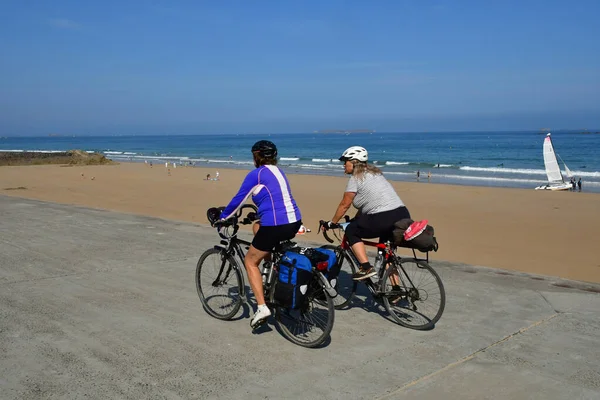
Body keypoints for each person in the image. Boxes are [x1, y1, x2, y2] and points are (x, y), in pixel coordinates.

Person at [219, 140, 302, 328]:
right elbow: (276, 199)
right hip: (294, 221)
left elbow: (238, 200)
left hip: (276, 224)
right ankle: (271, 268)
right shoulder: (279, 172)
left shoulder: (256, 174)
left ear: (256, 156)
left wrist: (223, 218)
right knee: (257, 227)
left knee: (250, 261)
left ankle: (262, 307)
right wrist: (259, 213)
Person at [323, 146, 410, 280]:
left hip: (383, 217)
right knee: (387, 252)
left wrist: (332, 222)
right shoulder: (376, 174)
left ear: (353, 162)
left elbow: (344, 205)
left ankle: (365, 267)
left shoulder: (355, 179)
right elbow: (368, 203)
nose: (343, 165)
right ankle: (395, 290)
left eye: (345, 161)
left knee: (351, 230)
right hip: (402, 215)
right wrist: (355, 219)